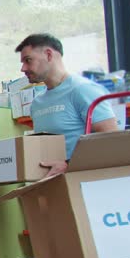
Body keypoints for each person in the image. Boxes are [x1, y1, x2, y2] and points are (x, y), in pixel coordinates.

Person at [16, 33, 119, 176]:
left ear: (49, 55)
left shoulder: (83, 90)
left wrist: (69, 165)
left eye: (28, 60)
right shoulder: (37, 104)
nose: (23, 68)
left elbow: (111, 140)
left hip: (83, 182)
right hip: (51, 184)